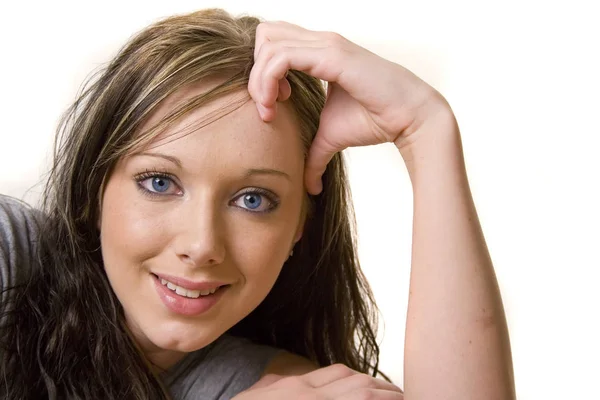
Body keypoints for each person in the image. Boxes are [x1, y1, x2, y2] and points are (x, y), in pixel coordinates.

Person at [0, 8, 515, 400]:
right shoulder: (10, 253)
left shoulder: (270, 384)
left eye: (253, 199)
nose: (202, 245)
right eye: (159, 182)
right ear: (93, 189)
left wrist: (424, 127)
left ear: (298, 227)